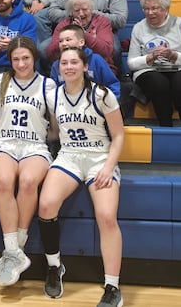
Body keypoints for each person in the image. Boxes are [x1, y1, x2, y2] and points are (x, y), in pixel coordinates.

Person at [38, 46, 124, 307]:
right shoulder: (53, 96)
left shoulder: (102, 95)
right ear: (58, 68)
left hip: (100, 158)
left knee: (106, 216)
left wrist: (108, 167)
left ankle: (112, 287)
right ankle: (55, 267)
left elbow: (119, 135)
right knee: (46, 206)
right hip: (69, 157)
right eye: (64, 63)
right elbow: (55, 132)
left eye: (74, 62)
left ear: (85, 66)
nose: (69, 67)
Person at [0, 36, 56, 286]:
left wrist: (42, 136)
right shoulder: (0, 81)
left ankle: (16, 248)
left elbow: (55, 127)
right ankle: (12, 250)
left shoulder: (47, 85)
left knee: (28, 181)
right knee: (5, 180)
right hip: (4, 143)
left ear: (34, 58)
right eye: (16, 59)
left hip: (34, 145)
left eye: (25, 58)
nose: (21, 63)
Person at [128, 0, 181, 127]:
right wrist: (150, 57)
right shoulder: (138, 27)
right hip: (149, 70)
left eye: (154, 8)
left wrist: (174, 55)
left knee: (180, 84)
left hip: (180, 68)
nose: (150, 13)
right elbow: (131, 63)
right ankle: (165, 126)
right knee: (159, 84)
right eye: (146, 9)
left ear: (166, 9)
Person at [44, 0, 115, 72]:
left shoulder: (102, 22)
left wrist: (82, 33)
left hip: (98, 68)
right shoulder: (64, 24)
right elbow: (50, 53)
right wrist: (67, 39)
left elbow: (107, 51)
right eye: (77, 10)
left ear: (91, 8)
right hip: (70, 69)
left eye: (85, 9)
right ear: (71, 12)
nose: (81, 14)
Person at [49, 24, 120, 98]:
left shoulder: (96, 60)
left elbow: (112, 85)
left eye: (68, 40)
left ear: (81, 42)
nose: (64, 44)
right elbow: (53, 91)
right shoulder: (56, 65)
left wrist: (110, 101)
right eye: (60, 41)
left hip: (96, 102)